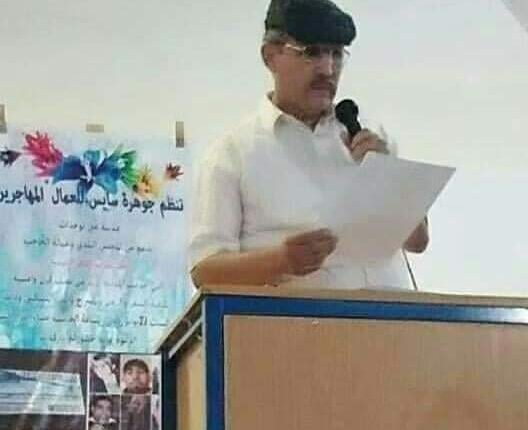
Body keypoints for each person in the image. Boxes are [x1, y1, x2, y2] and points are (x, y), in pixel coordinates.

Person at [190, 0, 429, 290]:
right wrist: (282, 261)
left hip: (395, 316)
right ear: (270, 56)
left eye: (336, 54)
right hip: (294, 319)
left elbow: (418, 241)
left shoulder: (369, 137)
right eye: (312, 52)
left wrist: (388, 176)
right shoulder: (231, 154)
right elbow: (205, 273)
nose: (328, 70)